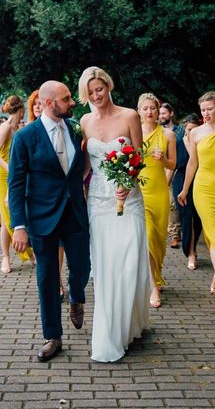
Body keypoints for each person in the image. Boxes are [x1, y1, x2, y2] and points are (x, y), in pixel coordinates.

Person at [9, 80, 91, 362]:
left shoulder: (74, 129)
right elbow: (16, 184)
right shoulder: (25, 137)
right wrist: (19, 226)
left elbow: (80, 169)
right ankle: (52, 336)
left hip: (75, 212)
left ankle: (76, 296)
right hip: (41, 217)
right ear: (47, 103)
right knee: (46, 277)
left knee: (82, 266)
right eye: (66, 99)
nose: (72, 103)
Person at [79, 66, 151, 362]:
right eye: (91, 91)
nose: (96, 95)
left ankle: (131, 324)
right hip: (98, 202)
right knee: (107, 269)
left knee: (130, 265)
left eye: (100, 89)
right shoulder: (84, 121)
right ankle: (111, 334)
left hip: (130, 200)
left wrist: (128, 183)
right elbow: (85, 167)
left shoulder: (129, 116)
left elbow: (139, 158)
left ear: (109, 86)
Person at [177, 91, 215, 314]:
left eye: (209, 109)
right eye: (203, 110)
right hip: (203, 189)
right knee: (213, 234)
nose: (205, 113)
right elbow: (193, 163)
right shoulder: (196, 133)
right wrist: (184, 189)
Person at [27, 87, 67, 299]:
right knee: (44, 248)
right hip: (38, 202)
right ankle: (51, 280)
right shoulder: (28, 134)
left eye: (40, 104)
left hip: (64, 200)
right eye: (35, 105)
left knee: (60, 244)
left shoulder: (68, 128)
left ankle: (59, 279)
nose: (38, 108)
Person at [138, 93, 176, 308]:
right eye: (145, 108)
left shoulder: (168, 135)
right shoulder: (133, 132)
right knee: (148, 236)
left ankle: (156, 276)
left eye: (153, 108)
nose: (150, 112)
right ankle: (153, 287)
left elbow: (173, 164)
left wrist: (163, 160)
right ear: (139, 111)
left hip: (160, 191)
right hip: (140, 192)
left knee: (159, 241)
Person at [0, 95, 36, 273]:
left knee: (14, 216)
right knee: (7, 218)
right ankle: (8, 257)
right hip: (2, 175)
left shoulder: (20, 128)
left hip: (16, 176)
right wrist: (12, 169)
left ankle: (21, 255)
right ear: (21, 110)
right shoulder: (6, 127)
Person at [172, 114, 203, 270]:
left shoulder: (203, 143)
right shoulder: (178, 143)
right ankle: (190, 252)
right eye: (189, 129)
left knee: (197, 219)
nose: (192, 132)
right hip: (181, 180)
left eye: (195, 129)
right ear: (184, 128)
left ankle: (193, 246)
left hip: (199, 180)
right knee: (186, 217)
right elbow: (172, 166)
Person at [160, 102, 183, 249]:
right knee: (166, 203)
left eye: (164, 113)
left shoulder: (179, 131)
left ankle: (175, 235)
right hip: (160, 169)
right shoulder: (157, 131)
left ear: (171, 113)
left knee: (173, 204)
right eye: (160, 113)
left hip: (175, 169)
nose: (162, 116)